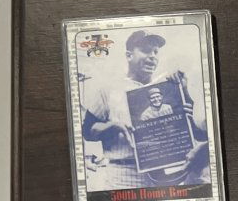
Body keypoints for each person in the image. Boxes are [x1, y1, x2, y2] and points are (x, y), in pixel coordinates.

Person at [81, 29, 208, 189]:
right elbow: (87, 132)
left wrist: (184, 98)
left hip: (164, 177)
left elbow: (198, 135)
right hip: (123, 176)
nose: (152, 56)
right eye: (146, 50)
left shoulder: (168, 88)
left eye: (155, 52)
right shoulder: (109, 88)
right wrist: (113, 126)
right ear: (129, 55)